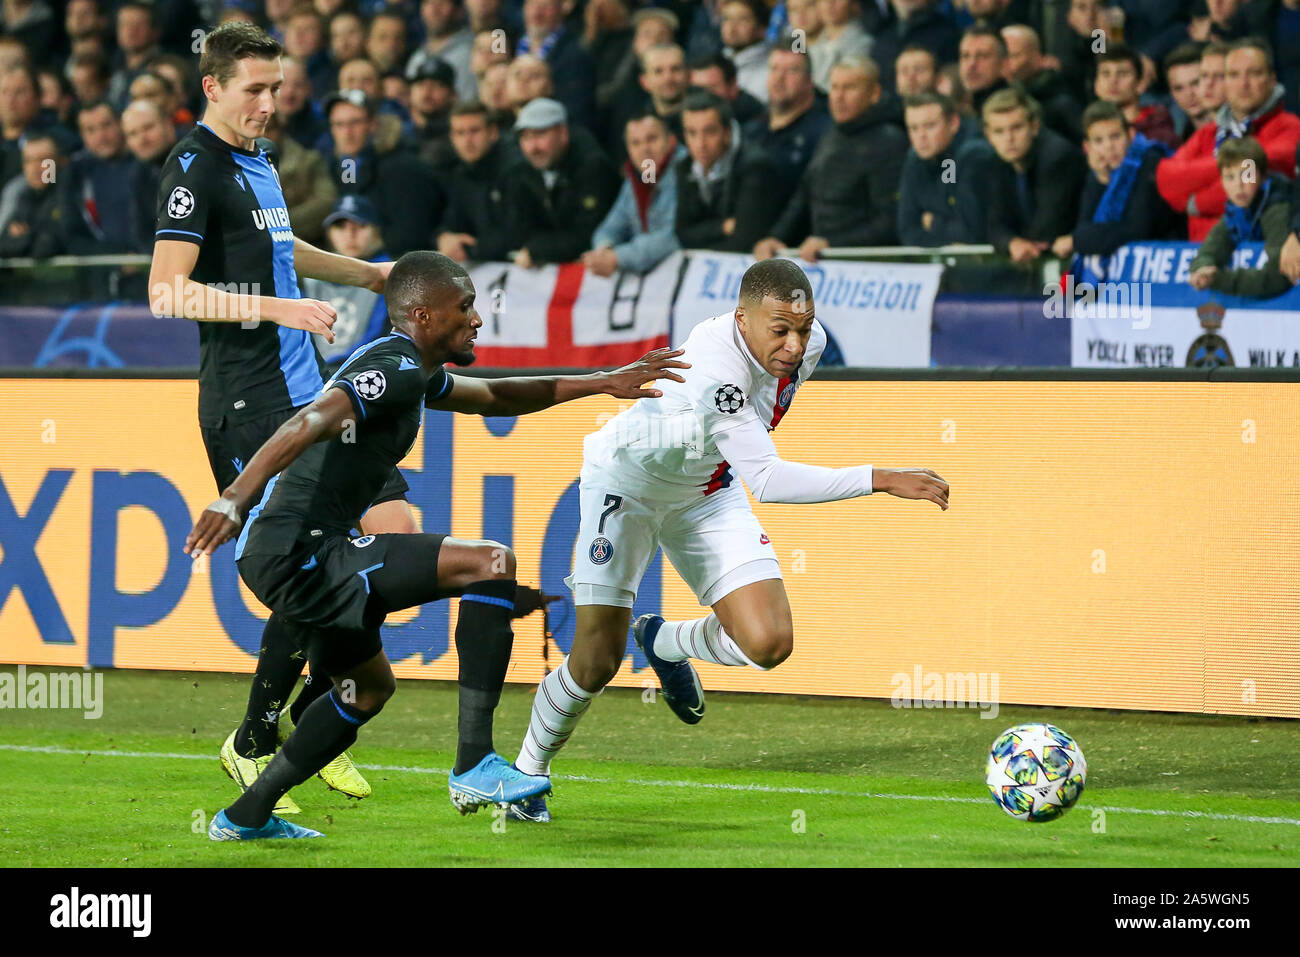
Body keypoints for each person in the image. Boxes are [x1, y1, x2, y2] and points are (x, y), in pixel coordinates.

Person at [187, 250, 692, 839]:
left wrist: (605, 381)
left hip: (296, 553)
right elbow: (309, 421)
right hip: (300, 550)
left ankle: (244, 816)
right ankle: (474, 761)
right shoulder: (394, 366)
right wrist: (234, 498)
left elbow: (499, 397)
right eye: (466, 306)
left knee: (367, 689)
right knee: (491, 564)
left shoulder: (417, 371)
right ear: (423, 314)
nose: (477, 319)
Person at [507, 257, 949, 823]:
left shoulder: (806, 350)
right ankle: (527, 774)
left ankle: (666, 642)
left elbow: (751, 456)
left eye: (804, 328)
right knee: (596, 661)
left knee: (768, 642)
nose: (794, 345)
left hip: (705, 492)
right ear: (742, 318)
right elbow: (766, 478)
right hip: (627, 485)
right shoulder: (716, 366)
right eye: (780, 330)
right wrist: (880, 478)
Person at [148, 21, 443, 816]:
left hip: (302, 383)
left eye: (276, 88)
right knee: (313, 559)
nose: (268, 103)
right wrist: (280, 307)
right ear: (211, 87)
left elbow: (285, 249)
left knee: (391, 519)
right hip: (248, 396)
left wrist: (368, 272)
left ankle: (318, 712)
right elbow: (166, 292)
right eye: (253, 88)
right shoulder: (194, 167)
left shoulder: (259, 161)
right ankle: (256, 741)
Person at [751, 55, 907, 259]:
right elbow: (805, 196)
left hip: (866, 265)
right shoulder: (831, 134)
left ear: (874, 93)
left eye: (850, 88)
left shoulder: (890, 142)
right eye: (834, 87)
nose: (839, 97)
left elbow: (891, 220)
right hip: (825, 260)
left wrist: (834, 245)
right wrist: (776, 237)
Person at [1157, 38, 1300, 241]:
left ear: (1272, 79)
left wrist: (1196, 203)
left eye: (1254, 73)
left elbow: (1249, 189)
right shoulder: (1209, 133)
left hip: (1260, 255)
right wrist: (1233, 168)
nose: (1244, 84)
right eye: (1233, 75)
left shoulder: (1289, 127)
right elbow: (1167, 178)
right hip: (1200, 259)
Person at [1051, 101, 1177, 266]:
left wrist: (1077, 240)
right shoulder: (1097, 172)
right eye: (1099, 141)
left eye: (1115, 136)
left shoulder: (1151, 162)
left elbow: (1136, 230)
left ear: (1131, 136)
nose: (1109, 146)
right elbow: (1085, 225)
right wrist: (1102, 180)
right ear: (1087, 147)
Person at [508, 97, 619, 268]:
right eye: (526, 138)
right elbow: (519, 228)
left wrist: (537, 250)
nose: (533, 147)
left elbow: (588, 233)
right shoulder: (523, 171)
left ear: (563, 133)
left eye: (540, 134)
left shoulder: (593, 167)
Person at [982, 86, 1086, 263]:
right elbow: (993, 224)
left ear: (1035, 126)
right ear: (988, 135)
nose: (1008, 139)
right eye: (999, 131)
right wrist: (1011, 242)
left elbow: (1047, 229)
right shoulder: (995, 162)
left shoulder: (1058, 158)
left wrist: (1018, 241)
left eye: (1016, 128)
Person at [674, 90, 785, 252]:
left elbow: (744, 242)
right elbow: (682, 234)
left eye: (710, 132)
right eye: (692, 133)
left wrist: (702, 239)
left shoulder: (755, 167)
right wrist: (721, 227)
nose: (700, 143)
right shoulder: (684, 166)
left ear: (727, 132)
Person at [1188, 135, 1292, 298]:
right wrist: (1203, 269)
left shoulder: (1278, 208)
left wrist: (1219, 280)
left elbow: (1278, 277)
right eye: (1230, 177)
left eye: (1247, 175)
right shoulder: (1236, 210)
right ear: (1221, 181)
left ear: (1263, 176)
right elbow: (1209, 250)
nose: (1238, 185)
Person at [583, 110, 684, 276]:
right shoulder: (637, 176)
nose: (644, 149)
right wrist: (604, 249)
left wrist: (618, 257)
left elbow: (673, 236)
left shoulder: (684, 170)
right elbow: (609, 228)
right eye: (635, 143)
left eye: (651, 139)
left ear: (671, 140)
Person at [301, 195, 390, 367]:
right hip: (317, 373)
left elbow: (380, 338)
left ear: (377, 231)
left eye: (361, 225)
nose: (350, 235)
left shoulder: (390, 276)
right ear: (329, 233)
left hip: (368, 370)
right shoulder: (310, 280)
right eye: (340, 226)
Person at [896, 90, 992, 245]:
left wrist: (933, 222)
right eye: (913, 128)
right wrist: (948, 240)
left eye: (929, 126)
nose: (921, 136)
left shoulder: (972, 155)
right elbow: (907, 230)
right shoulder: (915, 157)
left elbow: (972, 232)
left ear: (953, 123)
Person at [436, 98, 514, 263]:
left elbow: (518, 233)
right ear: (452, 138)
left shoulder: (514, 171)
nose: (467, 140)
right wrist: (444, 237)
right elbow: (452, 221)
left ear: (492, 132)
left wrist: (473, 249)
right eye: (460, 133)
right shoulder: (460, 175)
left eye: (474, 131)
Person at [1092, 43, 1178, 149]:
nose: (1113, 81)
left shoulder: (1161, 135)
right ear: (1096, 85)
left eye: (1123, 74)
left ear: (1140, 84)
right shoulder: (1089, 131)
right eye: (1105, 74)